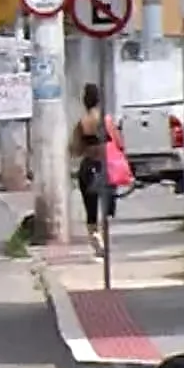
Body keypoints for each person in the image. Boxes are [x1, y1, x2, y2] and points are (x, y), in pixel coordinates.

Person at [68, 83, 117, 250]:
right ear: (99, 100)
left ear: (84, 101)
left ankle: (94, 235)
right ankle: (104, 235)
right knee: (108, 205)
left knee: (90, 207)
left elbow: (75, 149)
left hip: (88, 167)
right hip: (106, 166)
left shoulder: (81, 123)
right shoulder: (106, 120)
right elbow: (118, 142)